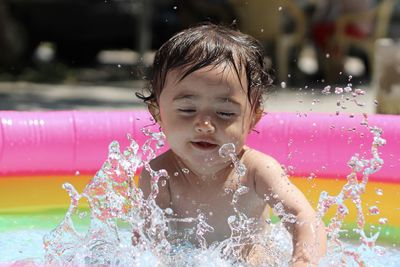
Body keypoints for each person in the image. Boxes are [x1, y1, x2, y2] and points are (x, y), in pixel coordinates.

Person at [137, 23, 326, 266]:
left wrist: (303, 260)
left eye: (225, 113)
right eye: (186, 109)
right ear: (157, 113)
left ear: (253, 118)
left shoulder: (258, 171)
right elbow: (143, 247)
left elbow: (304, 216)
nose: (204, 124)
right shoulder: (158, 175)